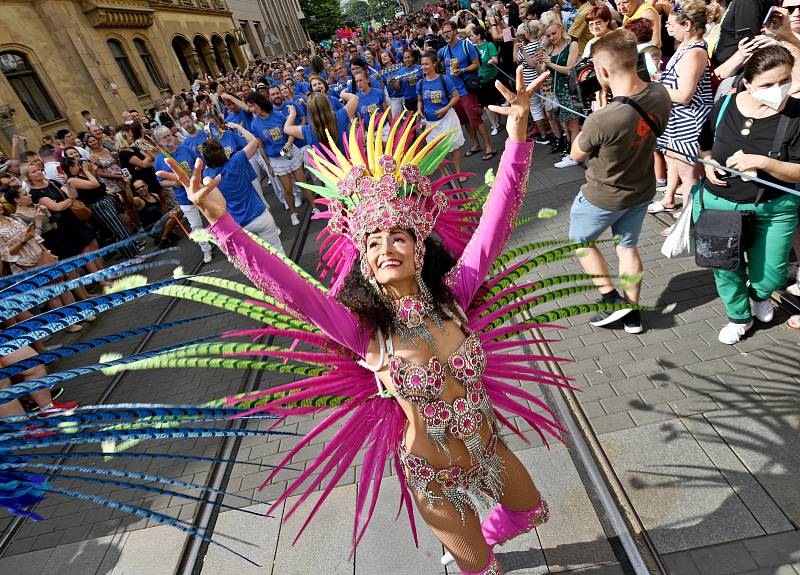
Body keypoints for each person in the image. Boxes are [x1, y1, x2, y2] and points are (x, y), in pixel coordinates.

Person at [160, 65, 556, 575]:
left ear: (418, 248)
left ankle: (493, 527)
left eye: (398, 237)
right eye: (373, 241)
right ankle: (477, 552)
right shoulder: (361, 328)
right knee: (481, 571)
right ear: (364, 261)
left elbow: (496, 220)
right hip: (432, 473)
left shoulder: (455, 294)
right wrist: (221, 221)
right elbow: (291, 287)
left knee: (532, 512)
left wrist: (519, 134)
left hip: (489, 447)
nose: (387, 247)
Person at [568, 29, 672, 334]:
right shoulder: (660, 93)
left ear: (601, 71)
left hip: (602, 196)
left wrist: (596, 116)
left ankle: (613, 300)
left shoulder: (603, 118)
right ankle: (633, 316)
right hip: (641, 189)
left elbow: (576, 153)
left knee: (581, 241)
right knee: (627, 247)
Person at [695, 45, 800, 344]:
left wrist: (764, 163)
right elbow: (704, 144)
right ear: (748, 84)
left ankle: (761, 294)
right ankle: (739, 317)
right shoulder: (726, 104)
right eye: (767, 85)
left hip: (774, 208)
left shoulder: (797, 115)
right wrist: (709, 163)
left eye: (784, 81)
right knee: (725, 268)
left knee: (771, 273)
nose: (778, 90)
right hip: (721, 204)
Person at [648, 0, 712, 219]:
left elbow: (685, 95)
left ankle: (688, 223)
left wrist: (653, 89)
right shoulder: (683, 48)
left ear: (688, 25)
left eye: (672, 24)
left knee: (689, 177)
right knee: (676, 165)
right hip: (677, 120)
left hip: (689, 121)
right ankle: (685, 216)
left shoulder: (694, 52)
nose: (668, 28)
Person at [194, 123, 285, 254]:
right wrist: (239, 127)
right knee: (279, 252)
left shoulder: (208, 177)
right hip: (260, 215)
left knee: (258, 261)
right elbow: (254, 141)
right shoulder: (237, 159)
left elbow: (207, 191)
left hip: (239, 225)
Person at [245, 92, 313, 227]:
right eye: (249, 107)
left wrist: (288, 144)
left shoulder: (278, 115)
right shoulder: (254, 124)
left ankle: (314, 206)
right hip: (276, 158)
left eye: (252, 106)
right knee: (286, 189)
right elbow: (261, 147)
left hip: (290, 152)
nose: (251, 110)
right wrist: (268, 165)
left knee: (302, 181)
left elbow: (290, 131)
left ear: (258, 103)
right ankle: (293, 213)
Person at [152, 126, 213, 263]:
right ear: (159, 141)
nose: (169, 138)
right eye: (164, 137)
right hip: (184, 197)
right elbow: (161, 182)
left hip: (200, 191)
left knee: (213, 218)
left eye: (169, 135)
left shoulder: (185, 149)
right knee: (196, 225)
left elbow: (200, 164)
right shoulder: (159, 160)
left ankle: (224, 241)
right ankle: (206, 250)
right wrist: (174, 183)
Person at [438, 21, 496, 161]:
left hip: (466, 89)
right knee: (464, 121)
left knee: (475, 118)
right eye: (444, 32)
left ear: (455, 31)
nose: (446, 34)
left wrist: (462, 70)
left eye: (448, 31)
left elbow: (476, 64)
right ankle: (475, 144)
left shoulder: (466, 45)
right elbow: (435, 62)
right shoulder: (443, 51)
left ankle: (489, 146)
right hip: (454, 93)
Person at [60, 157, 137, 258]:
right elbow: (94, 184)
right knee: (118, 230)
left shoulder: (79, 176)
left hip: (105, 202)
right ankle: (131, 256)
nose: (79, 165)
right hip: (99, 206)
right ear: (71, 167)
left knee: (120, 228)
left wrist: (90, 171)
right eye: (76, 164)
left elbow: (99, 185)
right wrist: (87, 171)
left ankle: (132, 254)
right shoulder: (72, 180)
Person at [418, 51, 467, 180]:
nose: (424, 67)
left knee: (454, 145)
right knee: (435, 149)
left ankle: (458, 172)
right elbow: (420, 100)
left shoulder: (444, 79)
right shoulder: (421, 83)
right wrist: (419, 110)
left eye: (427, 64)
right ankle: (443, 174)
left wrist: (445, 109)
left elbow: (456, 97)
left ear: (434, 64)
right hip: (431, 122)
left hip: (447, 119)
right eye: (422, 64)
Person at [542, 19, 582, 168]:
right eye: (549, 35)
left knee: (573, 125)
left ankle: (574, 156)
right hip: (556, 90)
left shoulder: (572, 44)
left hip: (568, 89)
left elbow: (569, 69)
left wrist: (550, 63)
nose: (552, 37)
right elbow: (542, 73)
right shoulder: (550, 49)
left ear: (561, 29)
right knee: (568, 124)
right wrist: (542, 61)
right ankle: (573, 153)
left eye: (554, 33)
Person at [514, 20, 552, 145]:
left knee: (536, 108)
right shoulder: (538, 44)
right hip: (539, 79)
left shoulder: (530, 46)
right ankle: (550, 131)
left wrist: (521, 49)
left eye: (524, 30)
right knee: (547, 106)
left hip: (531, 81)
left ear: (528, 32)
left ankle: (543, 135)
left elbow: (526, 62)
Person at [283, 91, 358, 154]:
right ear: (328, 104)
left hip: (328, 170)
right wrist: (342, 94)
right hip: (351, 163)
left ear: (310, 112)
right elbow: (355, 98)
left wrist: (292, 114)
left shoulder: (308, 131)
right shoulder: (341, 116)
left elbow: (286, 129)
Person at [470, 26, 503, 137]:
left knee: (496, 100)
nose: (470, 38)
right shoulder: (472, 49)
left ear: (478, 36)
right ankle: (494, 125)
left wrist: (492, 60)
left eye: (472, 35)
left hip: (493, 78)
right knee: (486, 104)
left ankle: (498, 120)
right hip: (481, 80)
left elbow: (496, 60)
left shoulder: (489, 45)